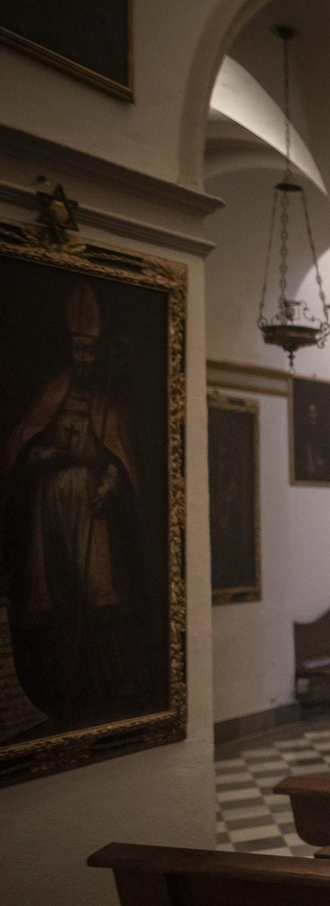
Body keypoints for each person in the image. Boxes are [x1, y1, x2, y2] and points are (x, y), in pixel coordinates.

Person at [2, 283, 148, 721]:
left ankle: (107, 677)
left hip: (89, 506)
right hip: (51, 505)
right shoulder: (50, 396)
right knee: (54, 588)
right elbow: (22, 449)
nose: (84, 360)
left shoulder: (106, 406)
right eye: (78, 351)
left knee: (98, 586)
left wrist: (108, 484)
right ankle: (62, 682)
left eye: (91, 352)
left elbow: (118, 461)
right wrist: (45, 456)